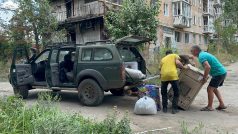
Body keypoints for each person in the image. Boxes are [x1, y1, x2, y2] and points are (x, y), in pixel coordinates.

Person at [191, 45, 227, 111]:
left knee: (209, 89)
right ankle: (222, 104)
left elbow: (207, 67)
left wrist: (204, 78)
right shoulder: (203, 54)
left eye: (192, 51)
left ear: (196, 51)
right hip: (222, 72)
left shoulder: (201, 56)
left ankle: (209, 106)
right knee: (214, 88)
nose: (191, 53)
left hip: (218, 73)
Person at [159, 50, 187, 114]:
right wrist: (183, 67)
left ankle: (164, 108)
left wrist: (161, 77)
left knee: (163, 92)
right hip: (172, 76)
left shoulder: (163, 59)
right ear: (171, 53)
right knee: (176, 92)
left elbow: (160, 70)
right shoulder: (174, 55)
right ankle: (174, 109)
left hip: (164, 76)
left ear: (166, 54)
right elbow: (177, 63)